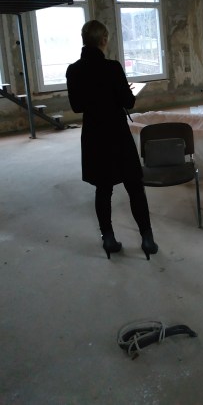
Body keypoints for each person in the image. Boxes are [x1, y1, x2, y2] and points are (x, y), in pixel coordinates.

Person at [66, 20, 158, 260]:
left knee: (103, 188)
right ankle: (147, 238)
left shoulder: (73, 70)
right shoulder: (113, 67)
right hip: (117, 134)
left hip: (95, 136)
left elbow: (77, 106)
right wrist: (119, 91)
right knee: (135, 186)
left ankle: (108, 238)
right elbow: (129, 102)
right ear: (104, 40)